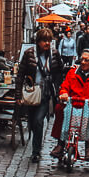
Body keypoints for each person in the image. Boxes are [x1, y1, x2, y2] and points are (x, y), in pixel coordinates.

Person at [50, 49, 89, 161]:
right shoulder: (72, 73)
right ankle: (61, 142)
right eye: (81, 59)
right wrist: (63, 93)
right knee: (59, 108)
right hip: (73, 104)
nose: (82, 62)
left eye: (86, 60)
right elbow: (65, 86)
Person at [15, 28, 65, 163]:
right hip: (32, 93)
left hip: (46, 94)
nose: (47, 44)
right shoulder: (29, 54)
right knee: (32, 121)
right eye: (44, 41)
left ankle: (36, 152)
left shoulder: (54, 54)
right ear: (38, 42)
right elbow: (20, 75)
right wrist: (18, 95)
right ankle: (35, 142)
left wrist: (58, 87)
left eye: (49, 41)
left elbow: (60, 71)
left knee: (38, 121)